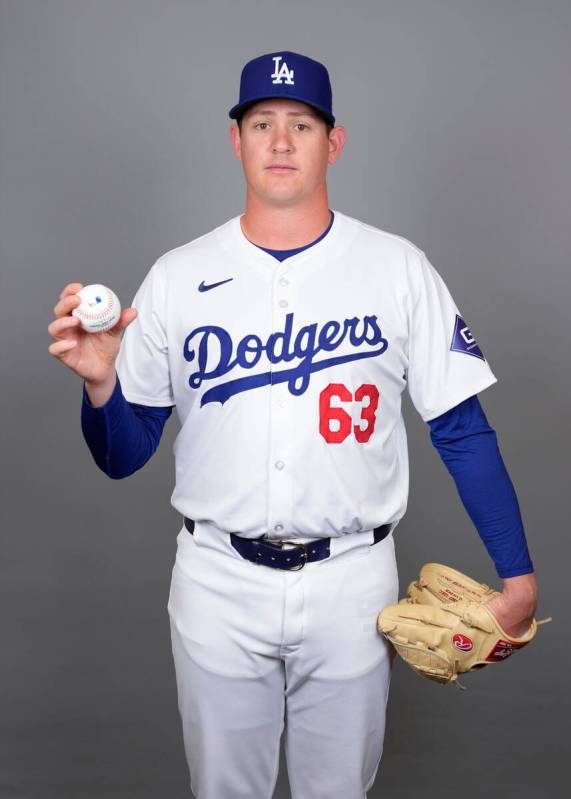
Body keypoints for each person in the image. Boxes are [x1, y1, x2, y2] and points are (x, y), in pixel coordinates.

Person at [48, 50, 538, 799]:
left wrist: (517, 574)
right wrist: (102, 385)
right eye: (262, 123)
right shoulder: (178, 276)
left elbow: (461, 428)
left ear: (331, 142)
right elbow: (123, 455)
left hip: (352, 581)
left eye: (300, 125)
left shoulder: (395, 267)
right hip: (216, 580)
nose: (280, 142)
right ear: (235, 139)